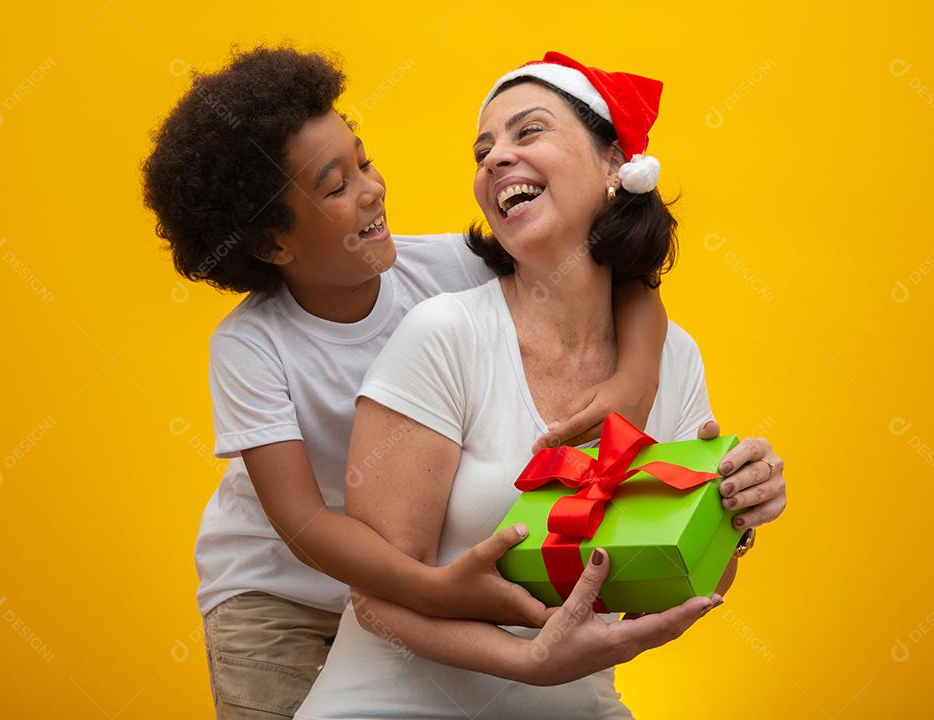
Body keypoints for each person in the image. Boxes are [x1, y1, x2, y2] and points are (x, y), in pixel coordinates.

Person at [142, 47, 673, 718]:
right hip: (276, 598)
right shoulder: (250, 347)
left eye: (363, 160)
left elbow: (614, 275)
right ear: (273, 245)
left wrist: (636, 377)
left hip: (400, 579)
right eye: (335, 187)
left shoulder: (450, 267)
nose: (370, 188)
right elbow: (303, 521)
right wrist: (434, 589)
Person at [295, 52, 788, 719]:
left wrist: (732, 515)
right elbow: (374, 599)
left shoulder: (673, 358)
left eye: (528, 133)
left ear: (615, 163)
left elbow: (678, 585)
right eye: (483, 149)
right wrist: (528, 663)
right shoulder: (445, 334)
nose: (495, 158)